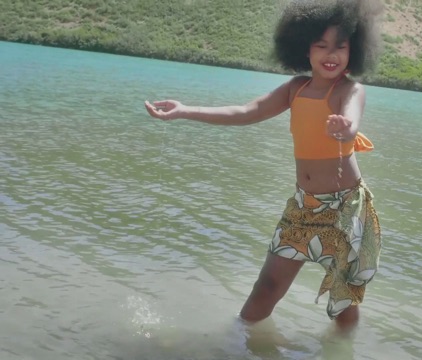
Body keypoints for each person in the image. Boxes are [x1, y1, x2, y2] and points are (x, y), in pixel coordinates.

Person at [144, 0, 383, 333]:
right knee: (267, 287)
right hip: (304, 207)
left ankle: (343, 350)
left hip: (346, 208)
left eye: (340, 47)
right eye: (321, 45)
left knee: (343, 302)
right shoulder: (294, 89)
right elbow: (246, 112)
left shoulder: (349, 90)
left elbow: (352, 116)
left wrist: (346, 128)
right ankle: (236, 344)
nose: (332, 54)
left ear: (352, 50)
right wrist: (185, 110)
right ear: (305, 49)